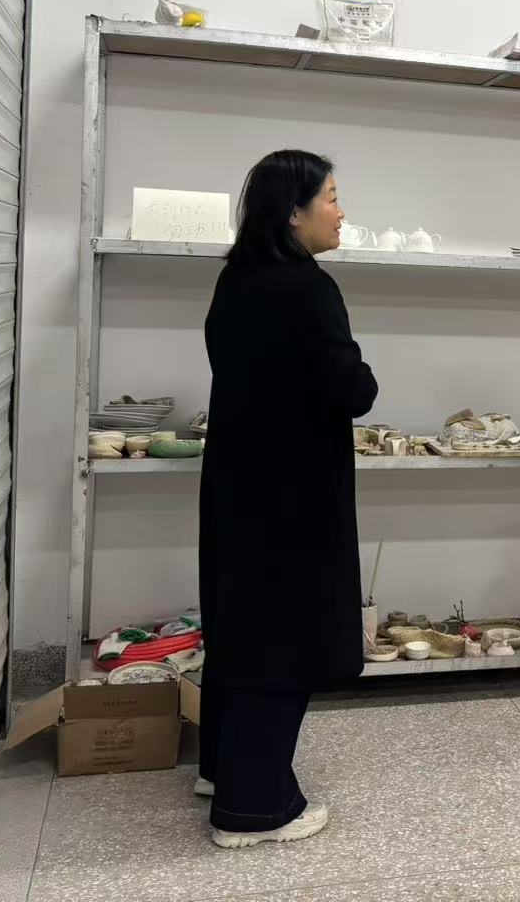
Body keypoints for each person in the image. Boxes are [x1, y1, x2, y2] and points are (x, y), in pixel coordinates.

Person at [196, 149, 378, 848]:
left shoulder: (236, 278)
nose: (340, 211)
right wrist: (364, 372)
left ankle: (223, 769)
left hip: (238, 480)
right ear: (293, 212)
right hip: (294, 490)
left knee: (241, 626)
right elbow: (351, 390)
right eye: (330, 198)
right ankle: (254, 809)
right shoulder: (308, 287)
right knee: (284, 637)